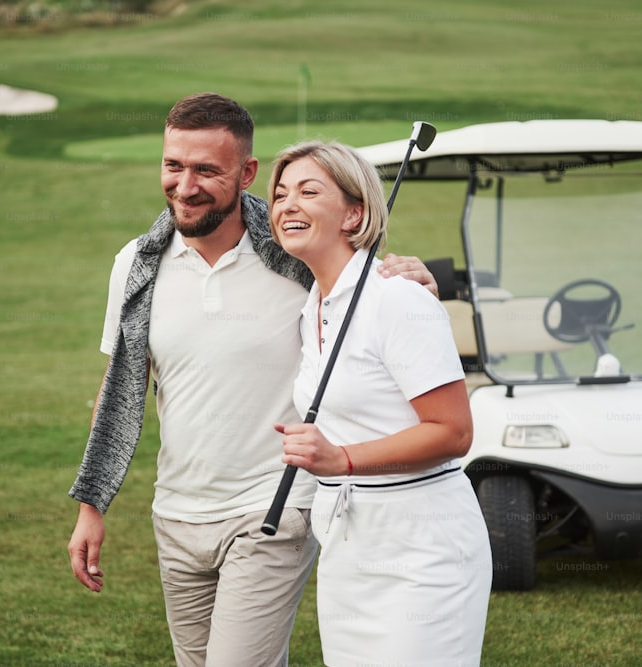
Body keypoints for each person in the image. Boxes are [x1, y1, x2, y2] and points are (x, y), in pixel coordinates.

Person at [66, 93, 439, 667]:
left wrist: (410, 272)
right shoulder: (135, 264)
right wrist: (92, 505)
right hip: (177, 514)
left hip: (274, 508)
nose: (184, 186)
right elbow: (118, 389)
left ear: (246, 174)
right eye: (173, 165)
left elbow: (363, 281)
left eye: (206, 170)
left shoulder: (295, 254)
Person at [269, 140, 493, 667]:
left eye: (308, 191)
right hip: (348, 545)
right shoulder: (312, 308)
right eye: (279, 195)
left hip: (423, 549)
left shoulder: (398, 298)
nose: (286, 205)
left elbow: (453, 432)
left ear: (355, 213)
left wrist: (341, 460)